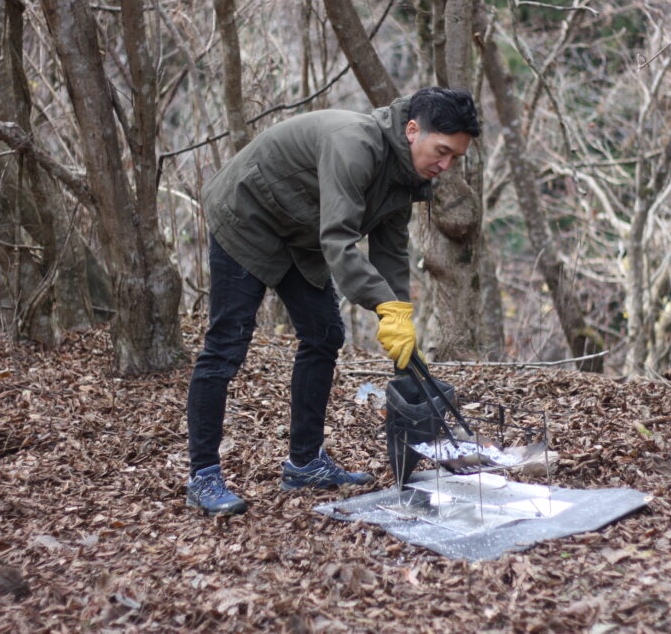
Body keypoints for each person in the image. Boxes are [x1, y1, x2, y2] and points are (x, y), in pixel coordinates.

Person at [185, 87, 481, 514]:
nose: (445, 164)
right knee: (226, 345)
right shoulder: (355, 144)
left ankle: (305, 464)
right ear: (413, 131)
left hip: (298, 229)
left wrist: (400, 320)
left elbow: (391, 254)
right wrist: (383, 305)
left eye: (455, 157)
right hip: (248, 214)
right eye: (442, 151)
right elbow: (338, 239)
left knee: (324, 334)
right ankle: (203, 475)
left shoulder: (407, 177)